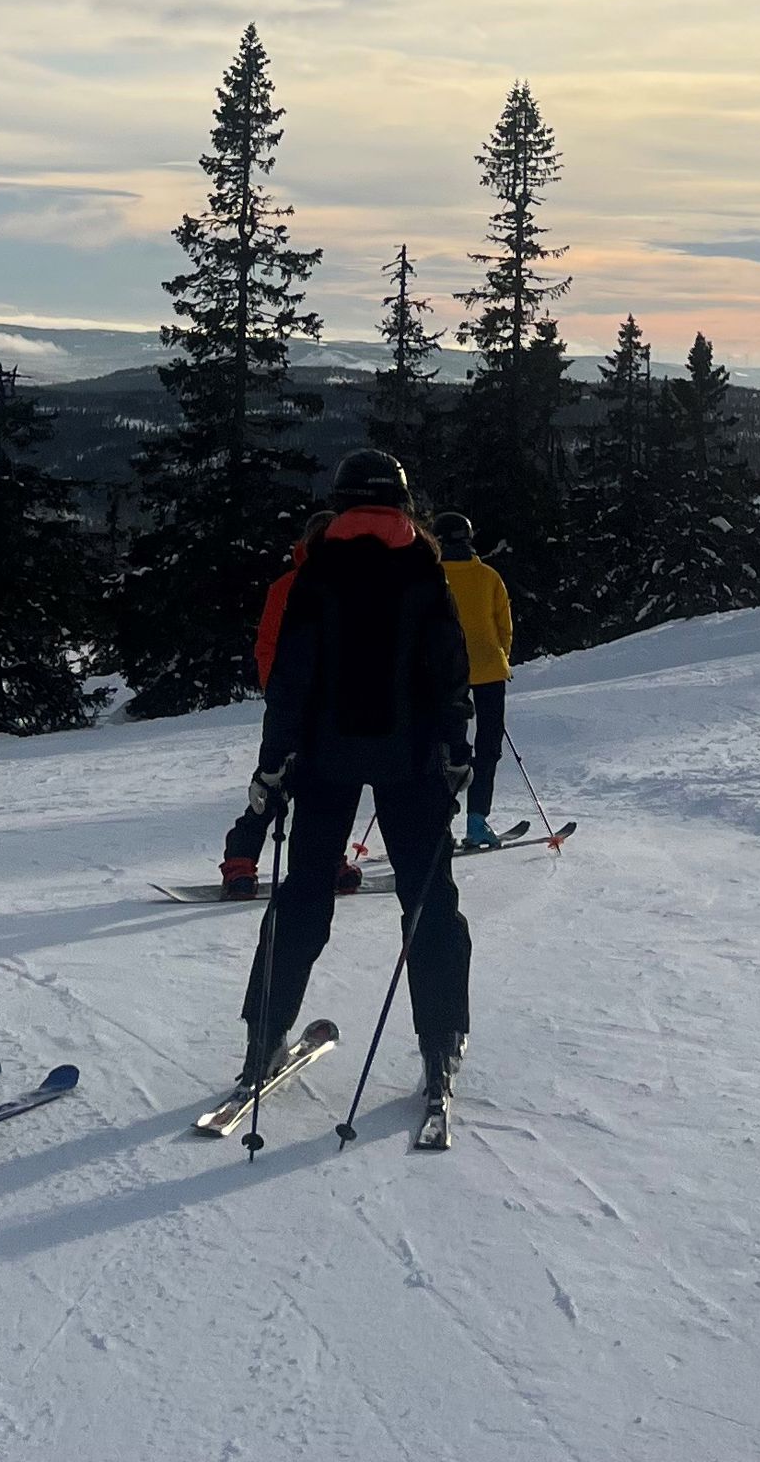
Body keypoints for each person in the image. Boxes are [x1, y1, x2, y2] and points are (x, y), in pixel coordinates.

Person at [237, 448, 473, 1115]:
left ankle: (263, 1037)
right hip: (414, 762)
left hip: (323, 759)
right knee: (429, 899)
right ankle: (440, 1042)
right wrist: (457, 750)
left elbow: (291, 679)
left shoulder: (316, 575)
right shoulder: (426, 573)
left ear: (340, 505)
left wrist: (274, 759)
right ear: (402, 506)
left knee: (306, 892)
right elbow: (449, 674)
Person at [218, 507, 353, 896]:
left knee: (326, 789)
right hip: (293, 708)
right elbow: (268, 646)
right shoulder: (288, 587)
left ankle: (328, 857)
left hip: (329, 711)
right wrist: (278, 693)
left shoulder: (347, 588)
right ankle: (240, 860)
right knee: (273, 785)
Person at [433, 511, 514, 846]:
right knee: (488, 745)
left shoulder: (433, 576)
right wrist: (500, 656)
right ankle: (477, 820)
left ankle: (441, 823)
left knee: (447, 748)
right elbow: (504, 626)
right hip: (489, 668)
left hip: (444, 674)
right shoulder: (488, 575)